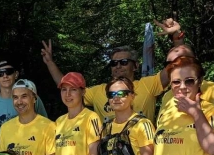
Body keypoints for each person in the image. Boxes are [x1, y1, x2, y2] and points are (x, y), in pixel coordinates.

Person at [41, 20, 185, 121]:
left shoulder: (148, 84)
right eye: (113, 63)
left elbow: (177, 66)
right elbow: (67, 86)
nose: (118, 66)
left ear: (135, 66)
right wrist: (49, 63)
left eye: (123, 62)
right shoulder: (99, 91)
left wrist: (177, 37)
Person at [0, 79, 55, 155]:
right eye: (15, 97)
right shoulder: (5, 127)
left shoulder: (48, 126)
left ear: (34, 98)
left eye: (24, 96)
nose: (19, 102)